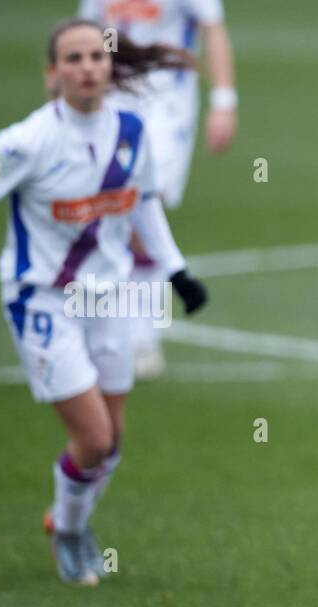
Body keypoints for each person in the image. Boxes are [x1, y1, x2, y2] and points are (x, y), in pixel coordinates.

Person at [0, 18, 207, 585]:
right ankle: (68, 530)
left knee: (112, 445)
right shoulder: (26, 141)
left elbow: (144, 205)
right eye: (74, 58)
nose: (88, 67)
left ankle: (68, 519)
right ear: (52, 73)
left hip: (110, 302)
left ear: (109, 67)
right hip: (43, 301)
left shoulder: (132, 132)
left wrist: (177, 271)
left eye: (96, 57)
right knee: (94, 437)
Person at [78, 0, 237, 377]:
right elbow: (81, 36)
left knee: (143, 209)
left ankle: (144, 338)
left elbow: (213, 30)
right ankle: (109, 330)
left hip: (165, 107)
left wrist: (224, 101)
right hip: (109, 101)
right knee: (107, 212)